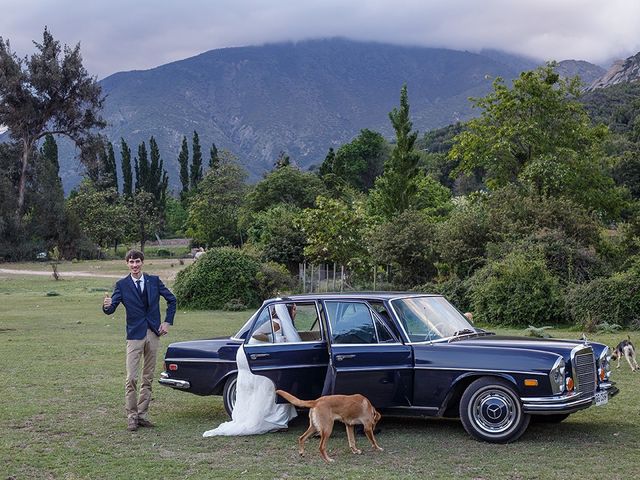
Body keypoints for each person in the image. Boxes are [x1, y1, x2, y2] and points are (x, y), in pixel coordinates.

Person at [102, 249, 176, 431]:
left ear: (142, 262)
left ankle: (142, 415)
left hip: (153, 333)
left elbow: (172, 300)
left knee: (148, 377)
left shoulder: (154, 281)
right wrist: (106, 306)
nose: (134, 265)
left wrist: (167, 322)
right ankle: (132, 416)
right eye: (131, 262)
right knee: (131, 378)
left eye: (137, 262)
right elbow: (111, 310)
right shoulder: (122, 285)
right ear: (127, 264)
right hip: (134, 336)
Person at [203, 304, 299, 437]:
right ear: (287, 311)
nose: (296, 312)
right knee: (267, 385)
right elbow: (256, 334)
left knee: (266, 385)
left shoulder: (280, 323)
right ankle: (271, 420)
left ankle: (277, 419)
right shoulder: (276, 323)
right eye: (294, 309)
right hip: (250, 355)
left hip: (254, 354)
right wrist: (273, 339)